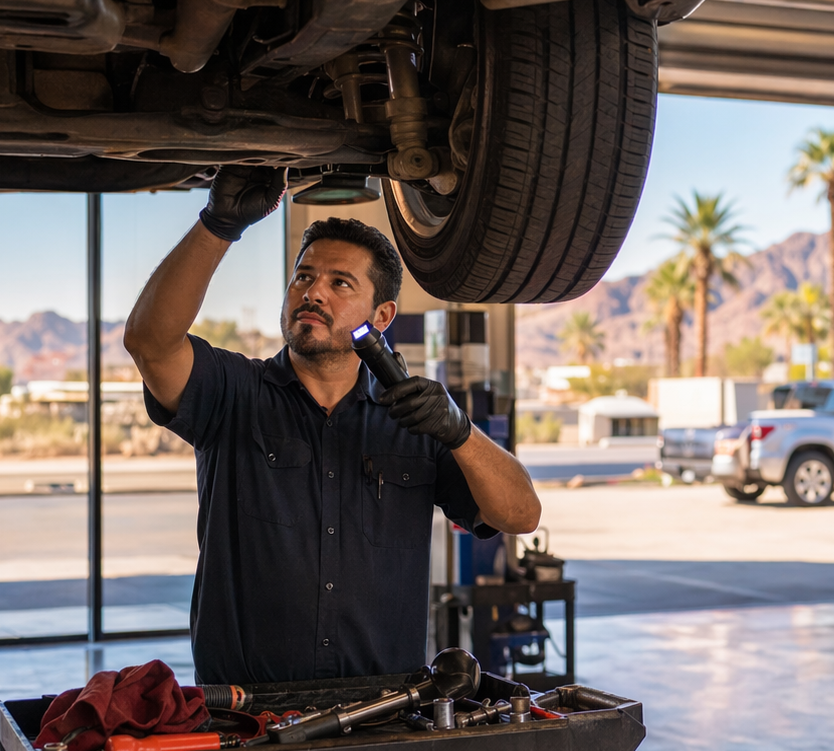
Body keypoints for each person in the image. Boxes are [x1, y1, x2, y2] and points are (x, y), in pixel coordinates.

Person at [124, 166, 541, 684]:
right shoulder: (234, 395)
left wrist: (459, 432)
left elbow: (521, 514)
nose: (313, 293)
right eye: (303, 277)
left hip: (384, 714)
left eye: (339, 283)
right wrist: (219, 224)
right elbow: (150, 342)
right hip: (247, 718)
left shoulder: (415, 421)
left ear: (382, 316)